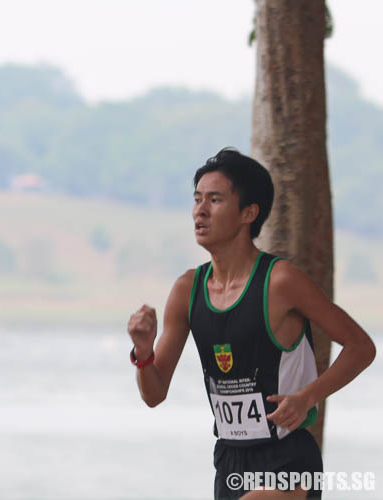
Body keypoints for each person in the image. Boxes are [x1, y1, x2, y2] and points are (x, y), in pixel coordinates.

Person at [127, 148, 375, 499]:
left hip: (288, 461)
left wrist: (307, 397)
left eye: (215, 200)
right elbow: (154, 394)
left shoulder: (280, 282)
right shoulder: (187, 290)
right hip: (229, 462)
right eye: (197, 199)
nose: (200, 210)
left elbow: (361, 347)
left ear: (249, 212)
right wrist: (143, 350)